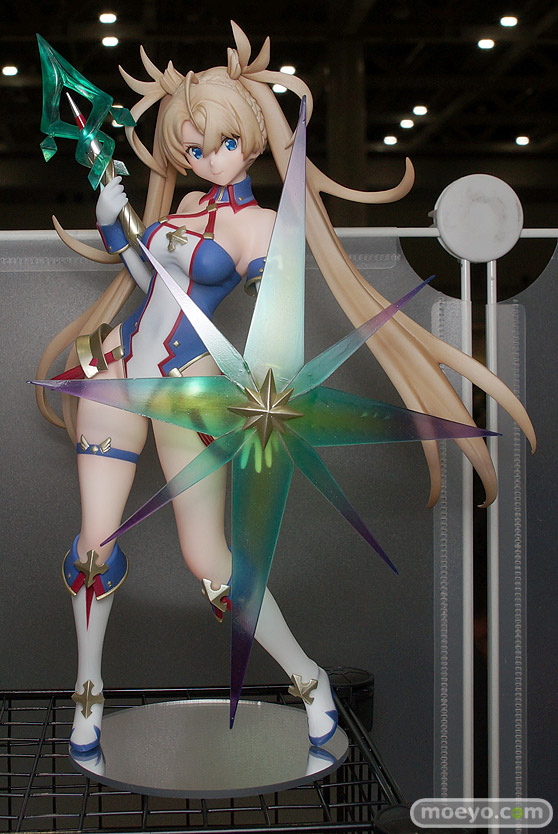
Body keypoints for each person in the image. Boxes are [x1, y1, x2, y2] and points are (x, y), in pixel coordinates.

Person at [37, 23, 534, 753]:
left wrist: (270, 363)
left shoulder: (264, 225)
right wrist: (119, 230)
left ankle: (308, 680)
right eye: (192, 149)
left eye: (221, 143)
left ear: (252, 139)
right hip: (114, 369)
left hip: (188, 390)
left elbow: (275, 322)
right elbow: (154, 287)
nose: (207, 158)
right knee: (92, 547)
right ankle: (89, 692)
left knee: (211, 564)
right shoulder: (182, 212)